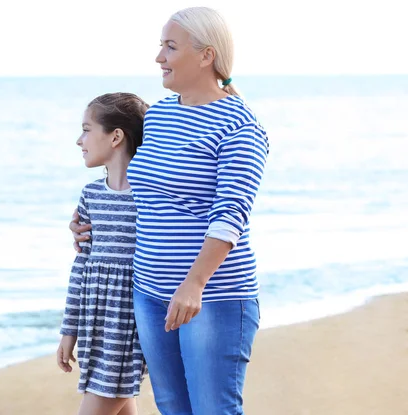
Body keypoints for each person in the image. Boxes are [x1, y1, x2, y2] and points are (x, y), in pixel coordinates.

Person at [70, 7, 270, 415]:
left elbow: (231, 214)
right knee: (172, 408)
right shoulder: (160, 114)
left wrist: (194, 283)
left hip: (212, 297)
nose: (159, 57)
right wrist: (90, 224)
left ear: (205, 56)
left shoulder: (240, 126)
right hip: (148, 293)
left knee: (214, 409)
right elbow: (146, 193)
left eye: (170, 46)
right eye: (160, 45)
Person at [57, 92, 150, 415]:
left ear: (115, 136)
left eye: (86, 129)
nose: (79, 140)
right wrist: (70, 330)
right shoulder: (91, 195)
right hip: (96, 327)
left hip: (128, 329)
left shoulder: (150, 199)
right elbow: (80, 267)